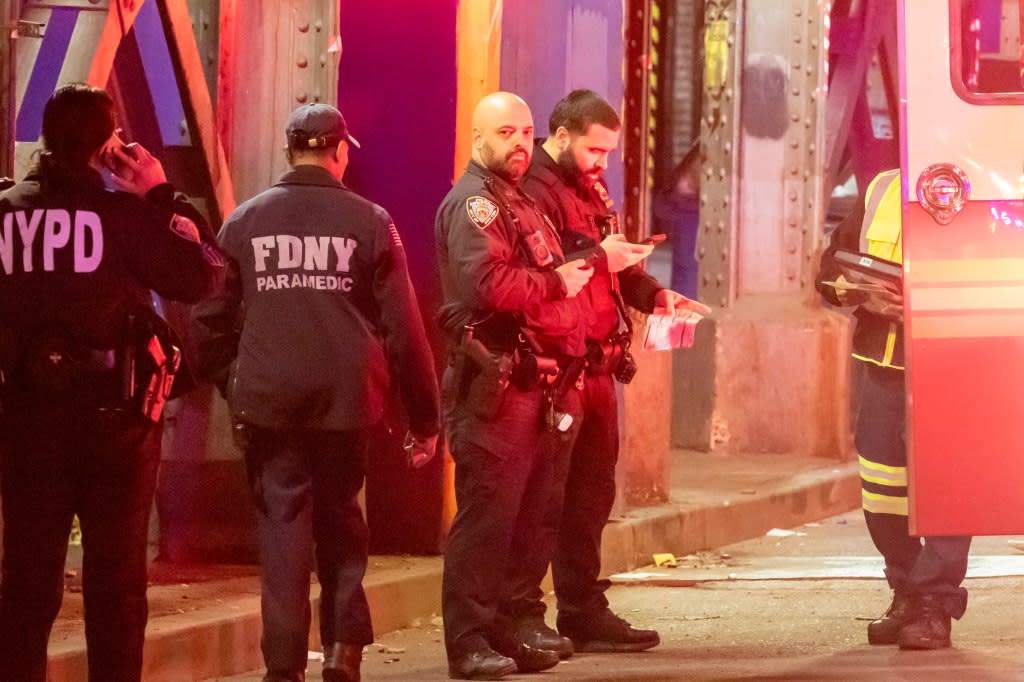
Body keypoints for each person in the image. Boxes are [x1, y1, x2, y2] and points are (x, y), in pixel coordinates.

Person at [191, 103, 441, 682]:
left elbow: (207, 321)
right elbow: (404, 328)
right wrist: (425, 418)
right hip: (346, 401)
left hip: (270, 403)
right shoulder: (371, 222)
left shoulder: (244, 222)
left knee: (282, 533)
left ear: (288, 151)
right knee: (342, 520)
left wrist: (233, 381)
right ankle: (342, 653)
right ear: (339, 151)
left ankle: (282, 665)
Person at [0, 83, 224, 682]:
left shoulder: (5, 214)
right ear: (108, 148)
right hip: (115, 429)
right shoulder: (124, 217)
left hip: (26, 423)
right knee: (116, 589)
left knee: (25, 587)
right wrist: (159, 192)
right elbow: (206, 274)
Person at [517, 88, 710, 656]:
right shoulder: (533, 194)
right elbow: (548, 274)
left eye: (608, 153)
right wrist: (604, 256)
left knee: (590, 497)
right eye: (595, 150)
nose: (603, 162)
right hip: (559, 370)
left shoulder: (591, 189)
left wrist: (653, 294)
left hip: (600, 367)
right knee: (544, 500)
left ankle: (582, 607)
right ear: (561, 136)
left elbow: (616, 268)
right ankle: (525, 611)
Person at [436, 91, 595, 680]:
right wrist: (556, 284)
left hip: (536, 388)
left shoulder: (519, 200)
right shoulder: (476, 203)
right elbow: (487, 285)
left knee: (529, 519)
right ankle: (469, 641)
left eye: (527, 132)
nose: (521, 143)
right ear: (479, 139)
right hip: (494, 388)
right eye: (507, 133)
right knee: (488, 519)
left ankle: (506, 630)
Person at [816, 168, 972, 650]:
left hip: (953, 362)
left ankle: (934, 603)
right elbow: (830, 270)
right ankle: (906, 588)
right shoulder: (882, 187)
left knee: (946, 485)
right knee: (883, 489)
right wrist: (864, 294)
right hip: (883, 364)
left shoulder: (991, 183)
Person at [653, 141, 700, 298]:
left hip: (685, 207)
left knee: (685, 266)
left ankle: (681, 309)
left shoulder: (698, 146)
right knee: (687, 267)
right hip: (688, 208)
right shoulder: (705, 147)